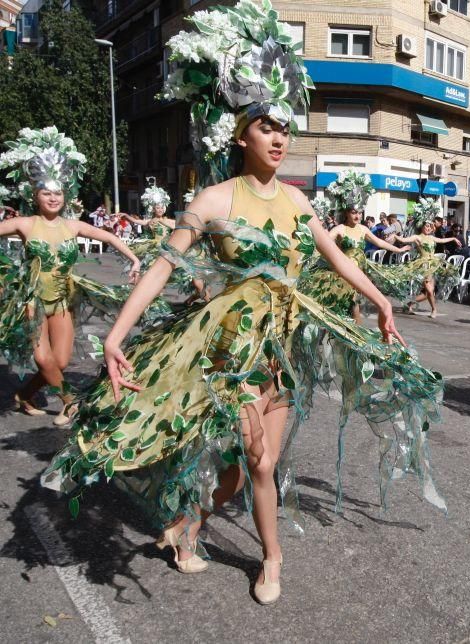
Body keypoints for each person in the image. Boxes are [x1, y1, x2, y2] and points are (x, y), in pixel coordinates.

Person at [42, 3, 445, 606]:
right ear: (240, 134)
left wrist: (382, 302)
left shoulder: (299, 203)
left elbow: (339, 258)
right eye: (265, 127)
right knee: (253, 460)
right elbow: (160, 269)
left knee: (258, 461)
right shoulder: (214, 200)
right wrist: (117, 335)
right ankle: (269, 556)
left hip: (279, 350)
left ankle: (193, 526)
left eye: (285, 127)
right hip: (226, 352)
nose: (279, 137)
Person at [0, 126, 144, 425]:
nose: (53, 198)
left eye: (58, 192)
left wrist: (134, 259)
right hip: (32, 301)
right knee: (43, 359)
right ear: (34, 195)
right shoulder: (25, 224)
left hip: (64, 300)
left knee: (61, 362)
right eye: (46, 193)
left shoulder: (73, 226)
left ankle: (24, 395)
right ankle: (70, 402)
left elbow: (108, 237)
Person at [324, 170, 412, 323]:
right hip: (343, 273)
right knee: (349, 306)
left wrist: (399, 249)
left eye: (359, 212)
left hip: (360, 272)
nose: (357, 216)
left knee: (353, 304)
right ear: (346, 213)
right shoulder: (339, 229)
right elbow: (323, 242)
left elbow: (380, 243)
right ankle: (353, 337)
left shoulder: (363, 229)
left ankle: (353, 337)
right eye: (353, 212)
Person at [121, 182, 210, 303]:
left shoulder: (167, 220)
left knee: (188, 273)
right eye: (158, 207)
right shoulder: (150, 221)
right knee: (153, 277)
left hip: (168, 249)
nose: (160, 209)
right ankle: (153, 300)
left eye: (162, 207)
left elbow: (174, 224)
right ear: (153, 208)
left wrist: (161, 221)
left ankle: (203, 297)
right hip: (155, 251)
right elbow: (140, 222)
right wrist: (126, 216)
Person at [395, 198, 462, 318]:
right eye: (426, 226)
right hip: (423, 265)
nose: (428, 228)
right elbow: (404, 240)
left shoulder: (432, 237)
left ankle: (409, 304)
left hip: (433, 265)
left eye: (429, 226)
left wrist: (453, 238)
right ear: (421, 227)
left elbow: (442, 240)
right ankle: (434, 310)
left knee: (427, 293)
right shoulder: (417, 237)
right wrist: (395, 235)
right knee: (429, 290)